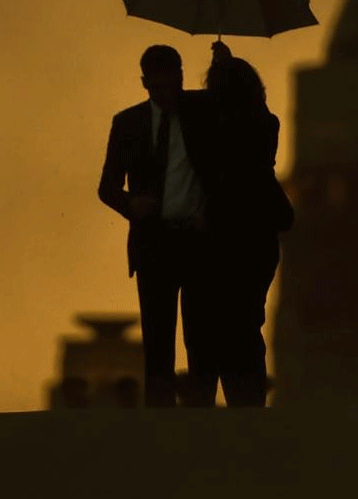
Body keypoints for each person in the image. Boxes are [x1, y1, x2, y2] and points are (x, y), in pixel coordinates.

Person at [97, 45, 220, 408]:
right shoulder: (128, 123)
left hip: (197, 241)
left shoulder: (202, 111)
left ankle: (200, 412)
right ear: (145, 83)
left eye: (175, 83)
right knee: (157, 340)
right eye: (161, 86)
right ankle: (161, 423)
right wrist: (130, 204)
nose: (169, 93)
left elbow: (231, 101)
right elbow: (107, 187)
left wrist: (222, 65)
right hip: (154, 243)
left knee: (201, 339)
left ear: (183, 78)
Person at [204, 41, 293, 407]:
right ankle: (249, 398)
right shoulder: (266, 123)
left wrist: (220, 71)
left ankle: (240, 397)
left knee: (225, 325)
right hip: (260, 236)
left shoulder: (218, 126)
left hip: (229, 236)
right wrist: (227, 68)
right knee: (247, 322)